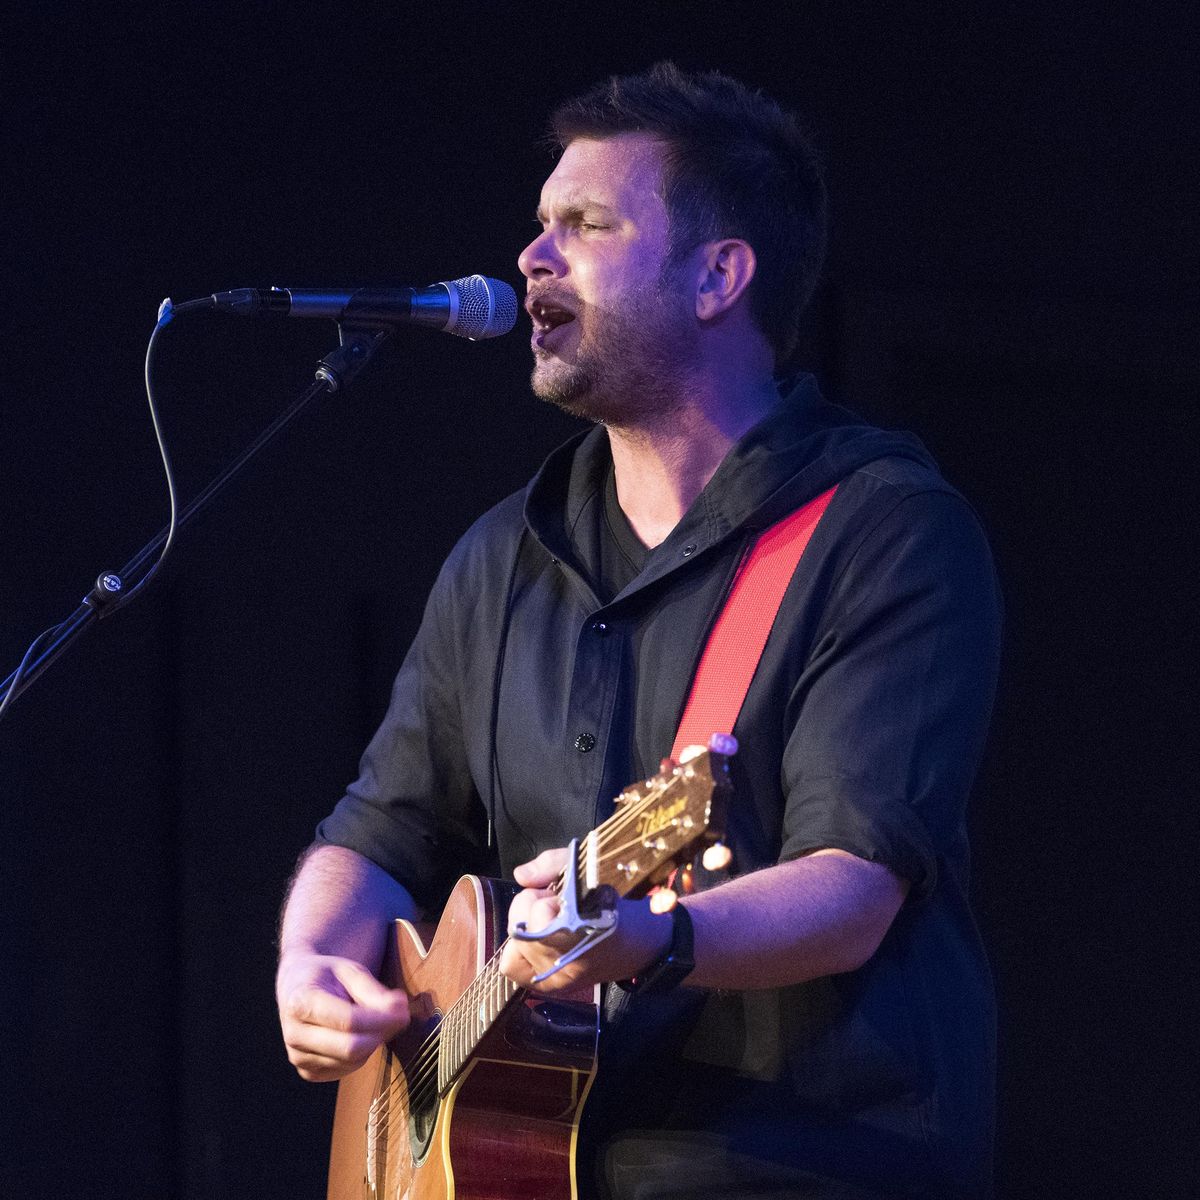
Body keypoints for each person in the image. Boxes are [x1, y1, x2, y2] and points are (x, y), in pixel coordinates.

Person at [276, 62, 1002, 1199]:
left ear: (718, 276)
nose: (533, 257)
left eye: (587, 224)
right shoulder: (502, 557)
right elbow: (377, 832)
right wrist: (311, 960)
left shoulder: (882, 531)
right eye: (540, 224)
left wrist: (653, 940)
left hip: (795, 1166)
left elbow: (854, 886)